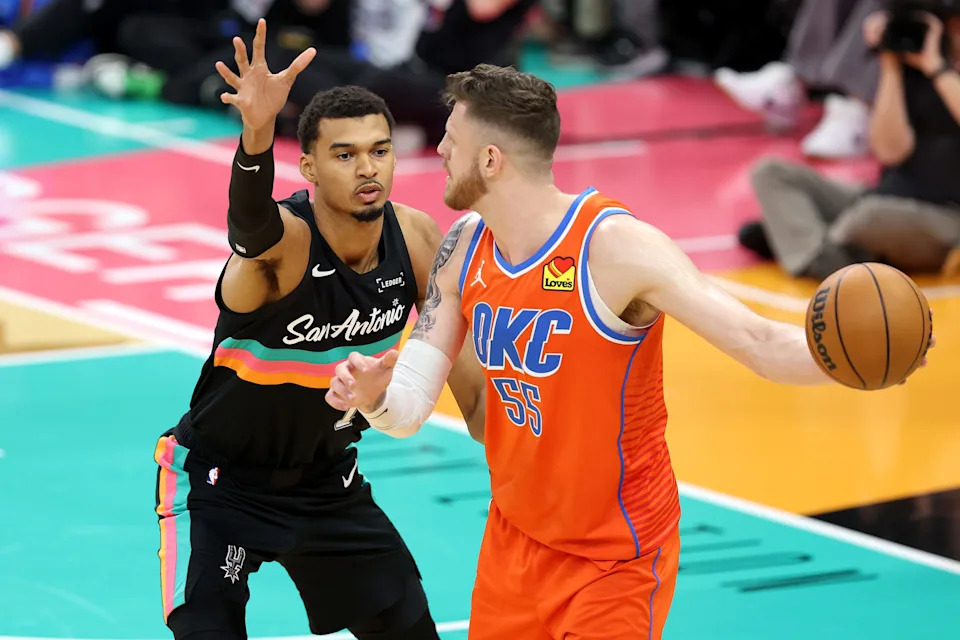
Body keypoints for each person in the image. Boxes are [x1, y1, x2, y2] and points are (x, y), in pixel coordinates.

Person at [324, 64, 933, 639]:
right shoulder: (463, 247)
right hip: (515, 541)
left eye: (451, 140)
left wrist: (858, 362)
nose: (439, 151)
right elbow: (409, 406)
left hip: (616, 557)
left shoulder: (617, 249)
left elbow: (759, 342)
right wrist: (376, 399)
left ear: (492, 158)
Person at [152, 19, 484, 640]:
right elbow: (249, 229)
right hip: (222, 485)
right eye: (344, 153)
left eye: (379, 150)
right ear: (305, 164)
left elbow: (467, 381)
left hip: (328, 482)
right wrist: (255, 136)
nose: (368, 169)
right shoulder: (280, 246)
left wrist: (524, 462)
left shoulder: (414, 240)